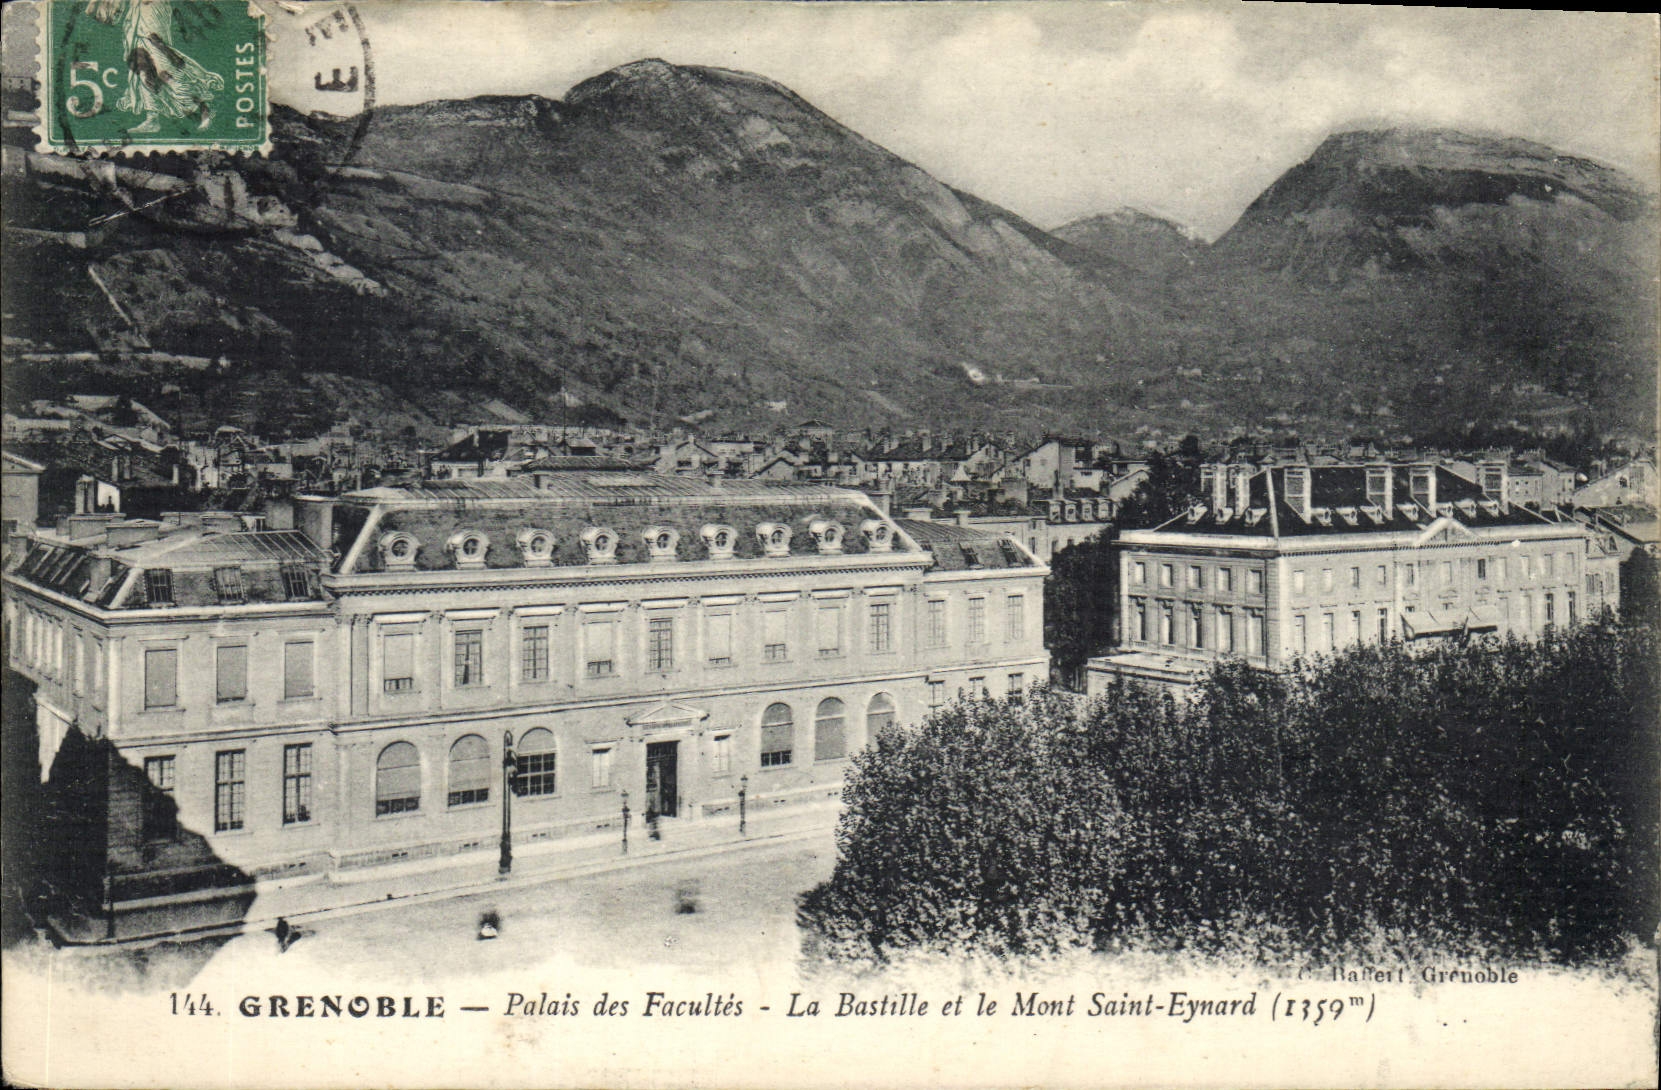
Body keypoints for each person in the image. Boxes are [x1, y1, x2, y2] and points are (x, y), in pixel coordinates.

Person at [85, 0, 224, 132]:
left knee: (163, 63)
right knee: (142, 65)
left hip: (151, 9)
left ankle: (203, 107)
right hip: (138, 8)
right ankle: (152, 118)